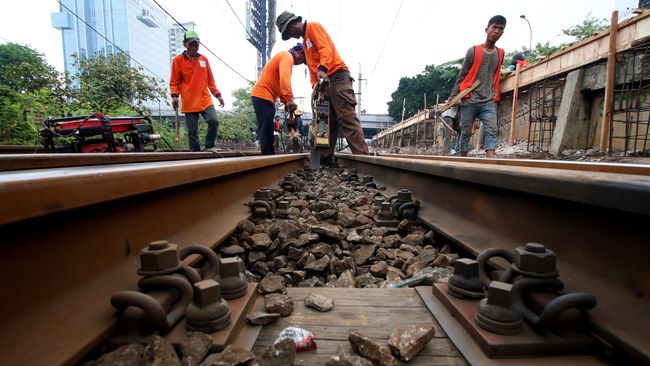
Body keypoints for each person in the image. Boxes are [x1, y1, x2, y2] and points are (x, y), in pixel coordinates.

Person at [276, 11, 369, 164]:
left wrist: (323, 69)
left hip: (337, 77)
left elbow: (326, 49)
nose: (291, 36)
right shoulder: (305, 43)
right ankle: (325, 158)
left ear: (293, 24)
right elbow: (313, 69)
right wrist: (315, 86)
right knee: (325, 122)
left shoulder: (313, 27)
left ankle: (363, 158)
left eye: (288, 32)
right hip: (324, 83)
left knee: (346, 117)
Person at [449, 15, 506, 158]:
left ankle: (491, 164)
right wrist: (453, 97)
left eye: (500, 29)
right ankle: (463, 160)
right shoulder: (473, 51)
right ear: (487, 29)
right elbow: (461, 76)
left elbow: (495, 74)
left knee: (491, 130)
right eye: (494, 27)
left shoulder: (500, 53)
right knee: (466, 132)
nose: (497, 31)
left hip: (487, 101)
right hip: (469, 100)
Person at [170, 30, 225, 152]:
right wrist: (174, 96)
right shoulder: (178, 60)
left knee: (213, 121)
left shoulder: (204, 59)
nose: (194, 47)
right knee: (192, 132)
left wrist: (218, 95)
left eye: (196, 44)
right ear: (185, 44)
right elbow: (174, 81)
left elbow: (210, 81)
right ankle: (195, 155)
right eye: (191, 44)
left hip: (204, 98)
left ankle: (209, 147)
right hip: (189, 101)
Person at [251, 43, 306, 155]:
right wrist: (289, 98)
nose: (300, 64)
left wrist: (286, 101)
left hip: (264, 96)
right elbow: (284, 80)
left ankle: (268, 154)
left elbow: (280, 84)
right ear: (300, 53)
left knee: (267, 126)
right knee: (266, 128)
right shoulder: (287, 57)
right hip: (263, 95)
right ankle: (267, 156)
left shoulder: (284, 56)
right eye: (303, 60)